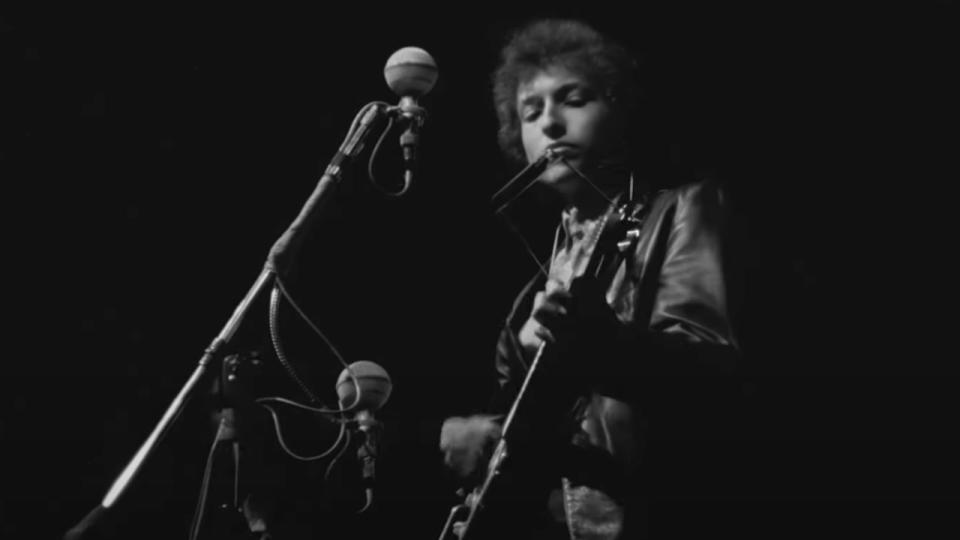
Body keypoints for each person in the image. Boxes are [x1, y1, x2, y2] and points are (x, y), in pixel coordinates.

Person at [439, 18, 741, 540]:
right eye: (530, 113)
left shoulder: (682, 211)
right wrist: (480, 438)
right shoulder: (522, 306)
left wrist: (602, 345)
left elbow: (712, 378)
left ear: (618, 107)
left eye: (572, 99)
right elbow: (521, 439)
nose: (550, 124)